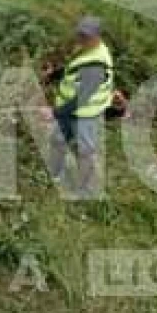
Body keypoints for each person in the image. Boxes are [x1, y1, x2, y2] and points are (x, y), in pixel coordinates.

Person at [45, 16, 114, 197]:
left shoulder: (97, 64)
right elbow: (73, 69)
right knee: (58, 141)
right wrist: (55, 75)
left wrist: (54, 112)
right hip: (68, 110)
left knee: (85, 151)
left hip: (86, 114)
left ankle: (85, 191)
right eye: (80, 34)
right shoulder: (86, 48)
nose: (81, 38)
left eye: (86, 36)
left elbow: (82, 99)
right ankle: (55, 175)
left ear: (98, 36)